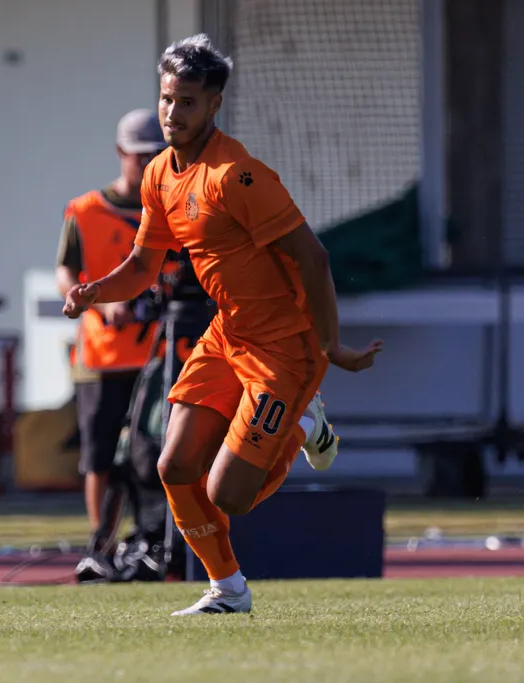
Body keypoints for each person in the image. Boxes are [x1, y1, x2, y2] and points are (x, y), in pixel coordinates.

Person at [62, 34, 384, 614]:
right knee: (174, 465)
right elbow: (142, 266)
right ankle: (228, 591)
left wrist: (330, 343)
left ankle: (307, 421)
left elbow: (314, 258)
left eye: (187, 101)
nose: (172, 112)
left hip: (286, 348)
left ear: (214, 104)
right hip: (227, 334)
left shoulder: (238, 176)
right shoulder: (160, 172)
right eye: (166, 99)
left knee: (228, 494)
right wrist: (93, 293)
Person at [55, 109, 178, 555]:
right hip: (103, 355)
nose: (147, 164)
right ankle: (101, 545)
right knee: (99, 455)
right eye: (139, 156)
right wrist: (101, 303)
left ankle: (156, 538)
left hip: (161, 353)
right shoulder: (85, 211)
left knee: (160, 451)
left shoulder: (171, 208)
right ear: (120, 153)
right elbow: (66, 272)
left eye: (156, 155)